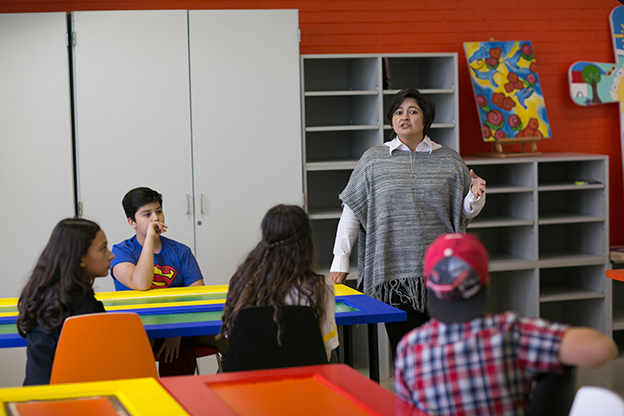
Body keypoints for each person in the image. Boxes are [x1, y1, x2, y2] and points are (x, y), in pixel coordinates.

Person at [329, 88, 487, 356]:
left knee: (442, 350)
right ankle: (409, 398)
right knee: (405, 350)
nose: (405, 117)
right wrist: (340, 261)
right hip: (393, 274)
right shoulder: (374, 160)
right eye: (398, 112)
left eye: (413, 111)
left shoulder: (449, 160)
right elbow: (352, 211)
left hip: (442, 271)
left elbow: (463, 213)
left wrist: (475, 195)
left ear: (426, 120)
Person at [394, 232, 619, 415]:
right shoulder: (510, 333)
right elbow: (602, 349)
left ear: (428, 284)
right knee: (555, 360)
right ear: (486, 282)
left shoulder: (409, 348)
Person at [110, 187, 226, 376]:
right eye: (147, 214)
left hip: (183, 325)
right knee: (128, 351)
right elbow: (140, 283)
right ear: (132, 222)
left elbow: (198, 295)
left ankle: (228, 385)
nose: (155, 218)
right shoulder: (121, 252)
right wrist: (150, 240)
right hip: (141, 328)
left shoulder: (181, 251)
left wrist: (177, 331)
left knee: (233, 335)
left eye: (159, 211)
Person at [220, 204, 339, 361]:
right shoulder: (321, 287)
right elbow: (326, 345)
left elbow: (233, 340)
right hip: (306, 380)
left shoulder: (242, 281)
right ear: (307, 241)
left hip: (251, 382)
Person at [17, 218, 114, 385]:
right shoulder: (82, 308)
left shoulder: (44, 295)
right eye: (103, 249)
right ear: (80, 259)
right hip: (69, 401)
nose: (111, 255)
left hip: (34, 397)